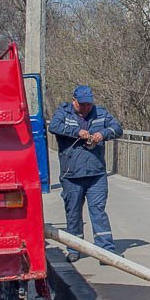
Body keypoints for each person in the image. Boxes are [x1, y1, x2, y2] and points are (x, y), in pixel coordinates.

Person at [48, 85, 124, 262]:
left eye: (88, 104)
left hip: (96, 174)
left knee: (98, 211)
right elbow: (53, 127)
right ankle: (74, 248)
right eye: (82, 104)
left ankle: (105, 251)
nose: (85, 107)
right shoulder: (64, 113)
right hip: (71, 175)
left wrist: (102, 134)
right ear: (74, 101)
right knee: (73, 212)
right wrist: (76, 132)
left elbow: (117, 128)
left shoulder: (101, 113)